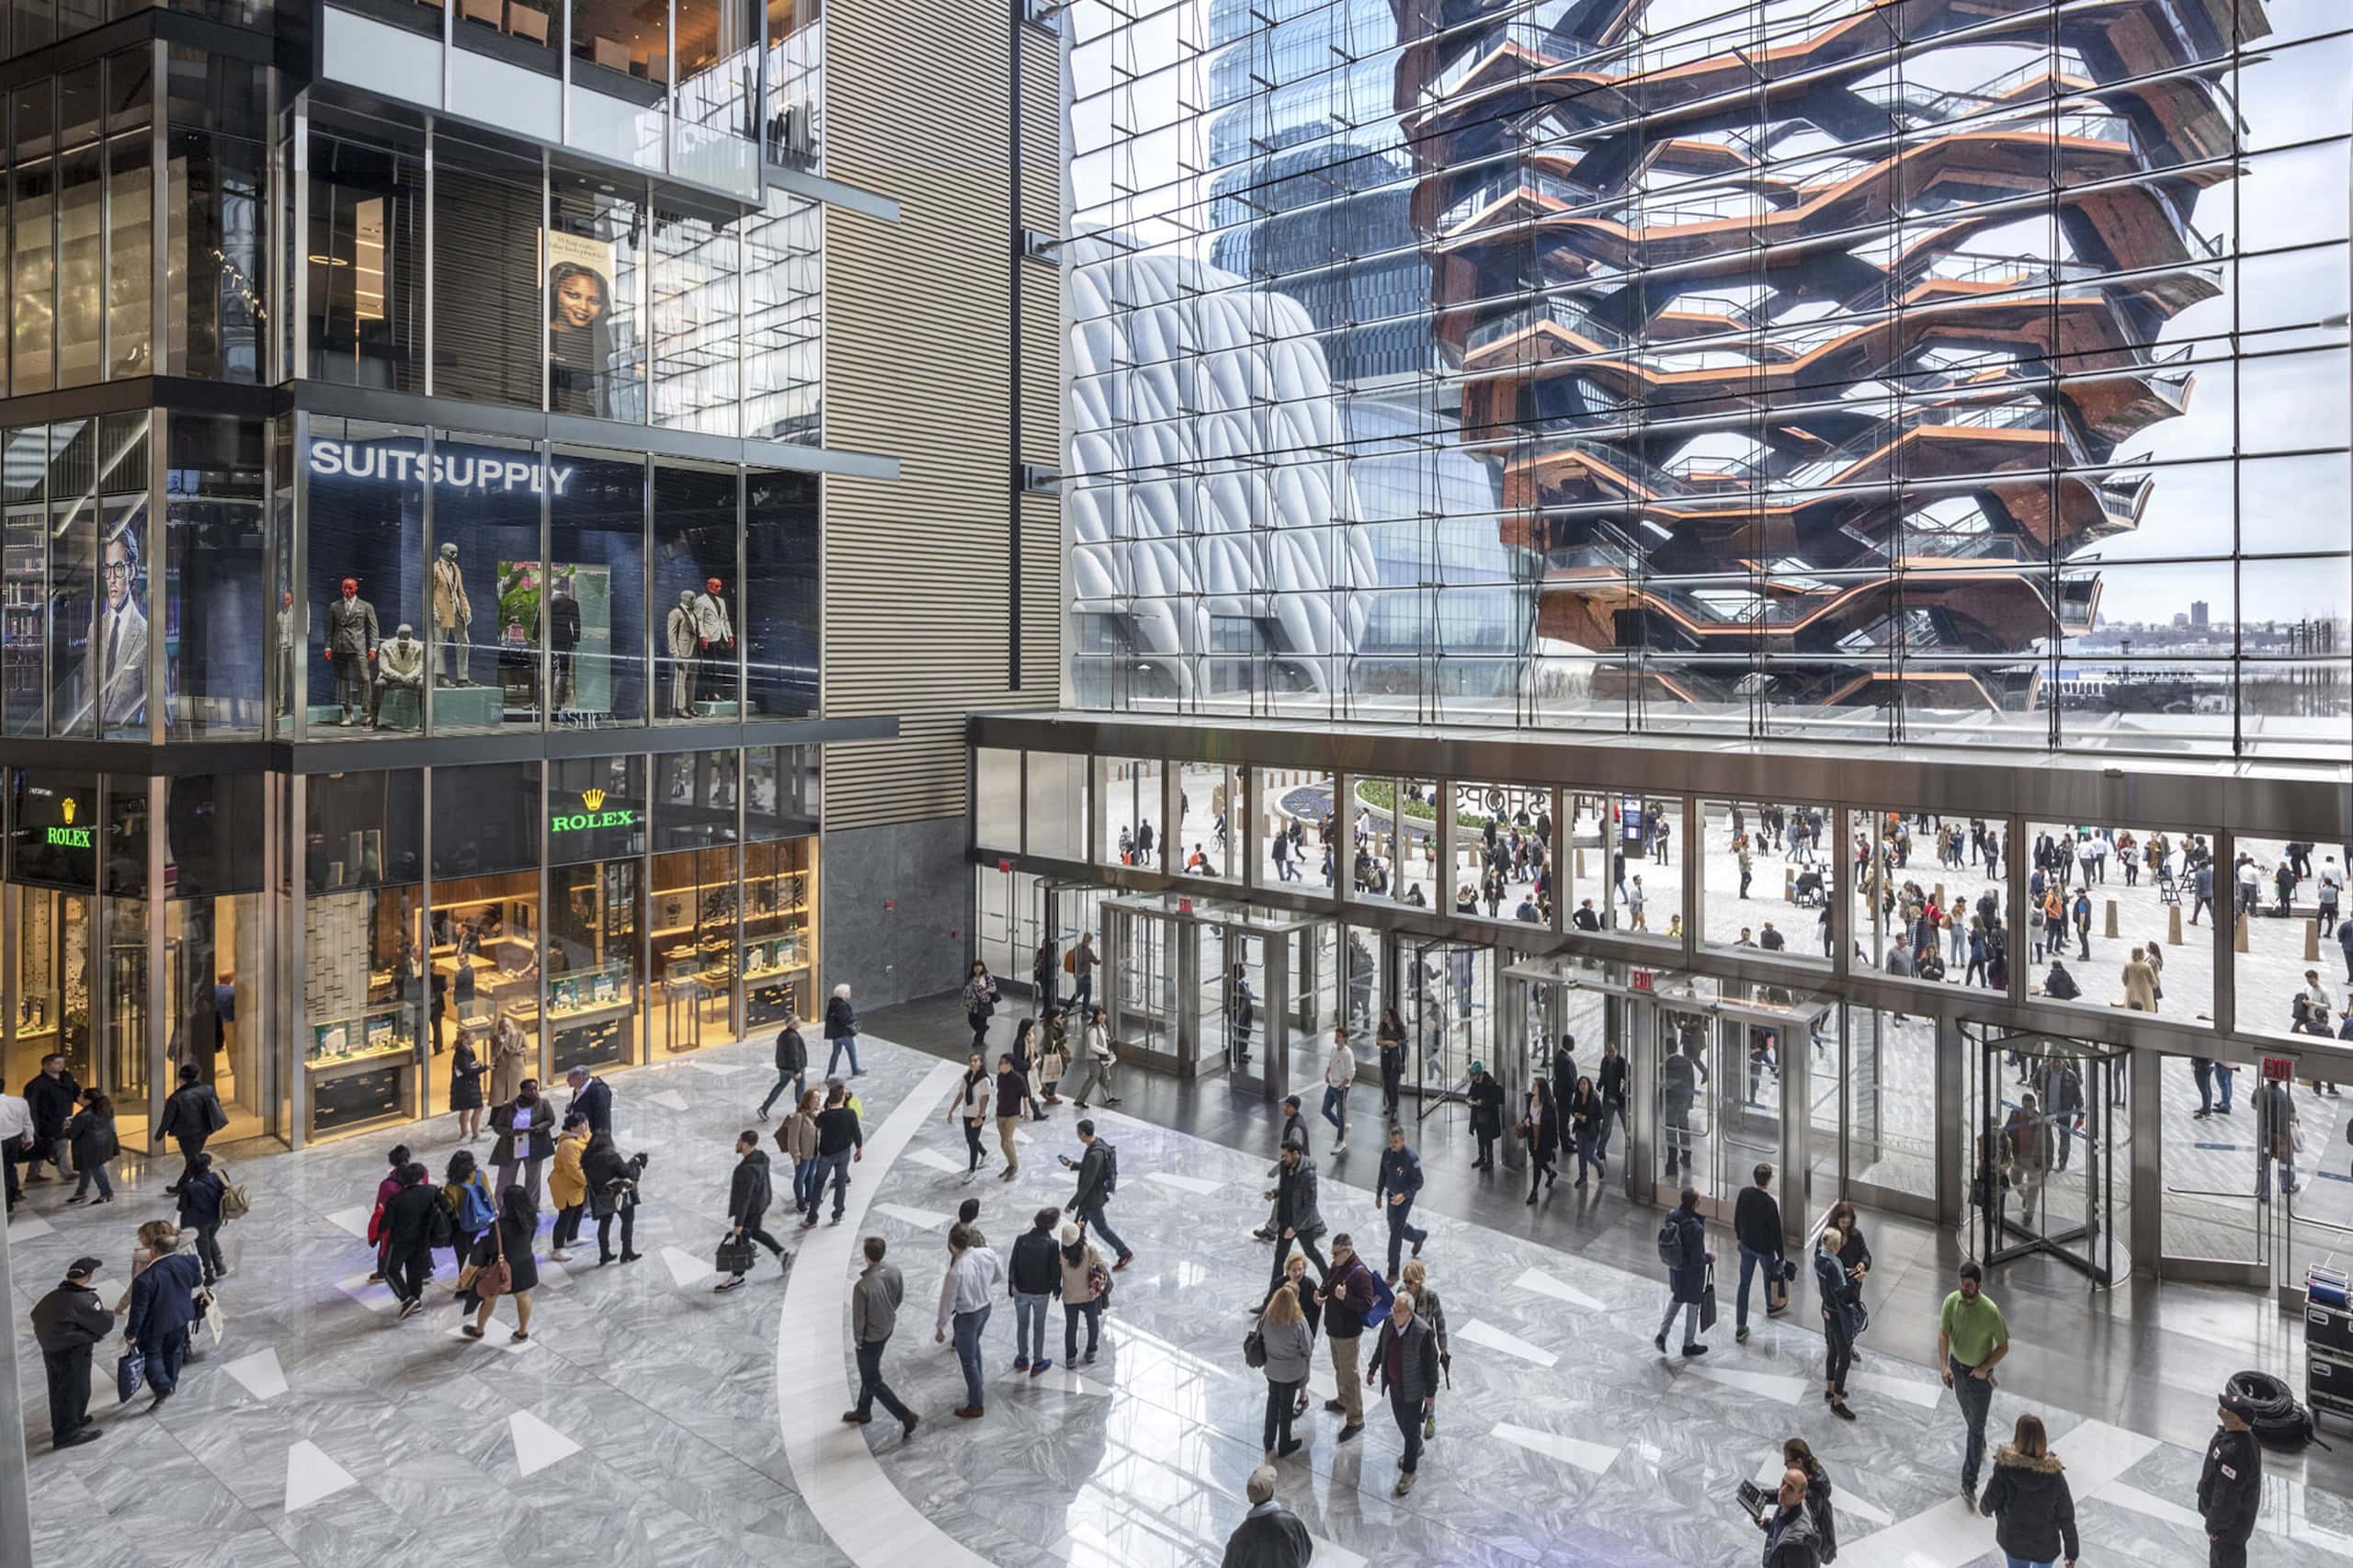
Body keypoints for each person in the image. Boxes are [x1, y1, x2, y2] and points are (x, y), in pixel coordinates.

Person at [1939, 1259, 2010, 1505]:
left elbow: (2003, 1346)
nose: (1964, 1288)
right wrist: (1944, 1366)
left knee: (1975, 1427)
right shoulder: (1952, 1301)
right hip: (1957, 1370)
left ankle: (1968, 1482)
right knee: (1969, 1415)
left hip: (1978, 1377)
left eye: (1968, 1285)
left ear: (1978, 1285)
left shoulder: (1990, 1311)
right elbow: (1943, 1333)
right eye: (1962, 1284)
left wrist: (1984, 1368)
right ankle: (1979, 1441)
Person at [31, 1256, 114, 1449]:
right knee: (76, 1390)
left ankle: (70, 1421)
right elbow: (103, 1323)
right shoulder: (84, 1299)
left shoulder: (53, 1296)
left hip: (51, 1349)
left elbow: (35, 1314)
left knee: (59, 1390)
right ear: (89, 1276)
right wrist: (106, 1317)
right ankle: (67, 1434)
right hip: (72, 1352)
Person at [841, 1234, 918, 1437]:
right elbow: (899, 1297)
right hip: (887, 1328)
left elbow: (859, 1320)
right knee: (870, 1372)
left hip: (870, 1339)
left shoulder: (862, 1286)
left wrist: (858, 1342)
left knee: (872, 1379)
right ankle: (863, 1411)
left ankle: (905, 1415)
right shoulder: (894, 1271)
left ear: (866, 1256)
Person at [1979, 1413, 2079, 1568]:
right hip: (2045, 1547)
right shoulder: (2054, 1476)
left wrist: (1985, 1509)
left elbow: (1992, 1497)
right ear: (2043, 1441)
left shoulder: (2005, 1468)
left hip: (2013, 1542)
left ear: (2017, 1438)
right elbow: (2066, 1516)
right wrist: (2071, 1553)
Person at [1368, 1288, 1439, 1497]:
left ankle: (1409, 1472)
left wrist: (1430, 1393)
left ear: (1409, 1312)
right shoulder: (1390, 1322)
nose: (1394, 1313)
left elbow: (1430, 1366)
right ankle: (1416, 1446)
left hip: (1413, 1391)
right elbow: (1381, 1347)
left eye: (1398, 1310)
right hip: (1395, 1386)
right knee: (1403, 1424)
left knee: (1410, 1430)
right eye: (1393, 1309)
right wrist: (1373, 1368)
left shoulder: (1422, 1331)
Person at [124, 1221, 204, 1410]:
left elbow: (139, 1310)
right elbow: (197, 1281)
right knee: (174, 1351)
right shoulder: (190, 1261)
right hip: (182, 1316)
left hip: (155, 1323)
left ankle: (162, 1387)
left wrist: (131, 1334)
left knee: (151, 1354)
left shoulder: (144, 1279)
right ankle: (172, 1382)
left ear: (154, 1251)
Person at [936, 1221, 1005, 1418]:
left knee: (967, 1360)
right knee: (974, 1346)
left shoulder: (955, 1271)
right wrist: (981, 1286)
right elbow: (999, 1275)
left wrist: (940, 1327)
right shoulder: (987, 1253)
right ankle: (978, 1384)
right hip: (985, 1308)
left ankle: (976, 1404)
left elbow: (947, 1304)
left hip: (967, 1316)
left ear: (951, 1244)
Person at [1316, 1234, 1376, 1441]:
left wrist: (1345, 1298)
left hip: (1348, 1333)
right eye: (1332, 1253)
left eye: (1336, 1253)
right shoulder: (1337, 1265)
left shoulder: (1361, 1274)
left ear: (1348, 1251)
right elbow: (1328, 1280)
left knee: (1350, 1375)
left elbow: (1367, 1304)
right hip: (1334, 1328)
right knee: (1339, 1368)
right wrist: (1320, 1293)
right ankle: (1343, 1400)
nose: (1333, 1258)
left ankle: (1356, 1419)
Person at [461, 1185, 539, 1342]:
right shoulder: (532, 1218)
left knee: (490, 1297)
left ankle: (479, 1330)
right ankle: (522, 1331)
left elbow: (491, 1248)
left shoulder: (499, 1225)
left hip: (502, 1267)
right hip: (525, 1262)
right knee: (523, 1296)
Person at [2199, 1388, 2263, 1568]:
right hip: (2231, 1529)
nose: (2222, 1407)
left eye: (2227, 1408)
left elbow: (2226, 1496)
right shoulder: (2241, 1439)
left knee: (2224, 1561)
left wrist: (2214, 1527)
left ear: (2237, 1420)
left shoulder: (2233, 1453)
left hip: (2228, 1531)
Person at [717, 1130, 788, 1290]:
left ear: (746, 1144)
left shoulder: (746, 1170)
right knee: (755, 1232)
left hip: (751, 1207)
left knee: (741, 1238)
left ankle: (737, 1276)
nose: (737, 1144)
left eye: (739, 1141)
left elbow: (744, 1198)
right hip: (762, 1201)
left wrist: (738, 1224)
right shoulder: (762, 1157)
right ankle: (782, 1253)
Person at [1254, 1279, 1314, 1459]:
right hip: (1290, 1373)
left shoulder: (1267, 1316)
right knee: (1286, 1408)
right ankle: (1285, 1443)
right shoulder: (1298, 1321)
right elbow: (1308, 1347)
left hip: (1272, 1369)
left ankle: (1268, 1440)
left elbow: (1261, 1337)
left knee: (1272, 1404)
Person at [1063, 1119, 1133, 1270]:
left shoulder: (1095, 1154)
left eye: (1078, 1133)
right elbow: (1091, 1169)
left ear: (1083, 1134)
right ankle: (1076, 1257)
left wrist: (1072, 1204)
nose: (1077, 1136)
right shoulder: (1098, 1144)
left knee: (1099, 1229)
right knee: (1079, 1228)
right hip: (1094, 1196)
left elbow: (1087, 1183)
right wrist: (1073, 1165)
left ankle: (1124, 1252)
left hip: (1091, 1199)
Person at [1261, 1143, 1328, 1298]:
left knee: (1311, 1252)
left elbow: (1310, 1204)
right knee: (1279, 1259)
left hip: (1302, 1224)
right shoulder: (1286, 1166)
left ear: (1296, 1154)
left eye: (1286, 1155)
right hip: (1286, 1220)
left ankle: (1330, 1280)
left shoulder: (1308, 1174)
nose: (1283, 1158)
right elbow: (1286, 1188)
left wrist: (1295, 1227)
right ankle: (1270, 1299)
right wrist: (1275, 1193)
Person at [380, 1161, 443, 1319]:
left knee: (389, 1270)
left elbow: (386, 1223)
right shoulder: (432, 1190)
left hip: (401, 1240)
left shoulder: (396, 1199)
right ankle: (416, 1299)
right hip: (423, 1239)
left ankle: (406, 1299)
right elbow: (446, 1207)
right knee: (414, 1270)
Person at [1654, 1184, 1711, 1357]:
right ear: (1694, 1204)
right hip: (1692, 1274)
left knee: (1677, 1298)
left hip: (1676, 1267)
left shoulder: (1672, 1215)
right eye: (1699, 1198)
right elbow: (1696, 1259)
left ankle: (1662, 1334)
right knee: (1693, 1306)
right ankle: (1688, 1344)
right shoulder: (1696, 1227)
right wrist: (1708, 1258)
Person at [1008, 1205, 1063, 1374]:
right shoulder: (1052, 1244)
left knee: (1022, 1325)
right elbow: (1055, 1270)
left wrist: (1011, 1285)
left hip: (1021, 1290)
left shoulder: (1021, 1239)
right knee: (1039, 1326)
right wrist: (1056, 1289)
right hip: (1041, 1292)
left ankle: (1022, 1358)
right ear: (1053, 1224)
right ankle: (1038, 1361)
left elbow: (1013, 1263)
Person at [1221, 1465, 1312, 1568]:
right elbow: (1305, 1555)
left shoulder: (1238, 1538)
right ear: (1272, 1492)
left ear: (1250, 1498)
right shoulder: (1290, 1523)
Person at [156, 1063, 227, 1196]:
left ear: (180, 1078)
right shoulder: (207, 1089)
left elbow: (167, 1119)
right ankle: (187, 1185)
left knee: (193, 1161)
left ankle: (194, 1185)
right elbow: (216, 1102)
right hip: (205, 1130)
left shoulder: (176, 1098)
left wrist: (159, 1135)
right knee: (193, 1159)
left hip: (187, 1135)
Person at [1813, 1224, 1860, 1420]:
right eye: (1839, 1243)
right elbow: (1841, 1293)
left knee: (1832, 1349)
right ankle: (1837, 1401)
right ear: (1833, 1246)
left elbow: (1833, 1283)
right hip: (1837, 1314)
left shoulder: (1820, 1259)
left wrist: (1848, 1274)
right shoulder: (1832, 1265)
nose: (1841, 1245)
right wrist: (1856, 1281)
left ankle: (1830, 1389)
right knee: (1845, 1357)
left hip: (1826, 1310)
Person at [1733, 1163, 1783, 1345]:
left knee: (1744, 1285)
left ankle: (1740, 1326)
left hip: (1746, 1245)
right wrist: (1782, 1255)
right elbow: (1776, 1232)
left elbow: (1737, 1217)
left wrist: (1739, 1237)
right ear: (1769, 1180)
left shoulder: (1744, 1194)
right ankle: (1771, 1306)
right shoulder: (1770, 1203)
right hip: (1765, 1249)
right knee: (1769, 1278)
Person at [1373, 1124, 1429, 1283]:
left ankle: (1393, 1271)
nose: (1393, 1145)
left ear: (1403, 1141)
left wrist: (1404, 1195)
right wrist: (1378, 1194)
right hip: (1391, 1195)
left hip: (1404, 1198)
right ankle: (1418, 1236)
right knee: (1394, 1226)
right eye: (1391, 1141)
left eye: (1396, 1142)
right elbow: (1382, 1174)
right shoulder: (1387, 1154)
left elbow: (1419, 1182)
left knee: (1396, 1232)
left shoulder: (1411, 1159)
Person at [582, 1131, 647, 1265]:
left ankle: (604, 1254)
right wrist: (635, 1161)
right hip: (619, 1195)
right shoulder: (611, 1156)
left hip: (601, 1197)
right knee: (628, 1220)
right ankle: (626, 1252)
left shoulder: (586, 1159)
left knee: (605, 1223)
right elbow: (628, 1173)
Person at [489, 1079, 556, 1206]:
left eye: (535, 1089)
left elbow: (550, 1120)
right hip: (511, 1147)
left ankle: (531, 1207)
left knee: (533, 1180)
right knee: (505, 1179)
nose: (534, 1092)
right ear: (523, 1091)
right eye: (530, 1090)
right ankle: (502, 1206)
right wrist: (511, 1132)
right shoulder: (510, 1106)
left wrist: (535, 1128)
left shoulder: (543, 1103)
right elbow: (498, 1126)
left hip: (534, 1147)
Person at [19, 1052, 80, 1182]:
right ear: (46, 1065)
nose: (61, 1066)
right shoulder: (36, 1085)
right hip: (46, 1122)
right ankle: (67, 1173)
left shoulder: (66, 1078)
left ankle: (33, 1174)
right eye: (57, 1063)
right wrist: (32, 1127)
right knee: (57, 1145)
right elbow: (31, 1107)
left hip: (65, 1118)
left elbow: (77, 1093)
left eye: (62, 1063)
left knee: (49, 1147)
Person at [809, 1080, 863, 1225]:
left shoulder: (824, 1116)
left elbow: (817, 1124)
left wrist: (818, 1112)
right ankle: (837, 1214)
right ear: (843, 1098)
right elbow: (856, 1132)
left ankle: (812, 1217)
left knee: (818, 1184)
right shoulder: (850, 1113)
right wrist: (859, 1149)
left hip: (826, 1155)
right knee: (840, 1183)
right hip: (844, 1153)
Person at [175, 1151, 231, 1286]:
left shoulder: (188, 1187)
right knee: (210, 1238)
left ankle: (208, 1274)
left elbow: (181, 1207)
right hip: (217, 1217)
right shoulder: (218, 1176)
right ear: (208, 1166)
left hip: (197, 1222)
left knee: (203, 1247)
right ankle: (220, 1265)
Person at [1057, 1219, 1107, 1367]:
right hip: (1089, 1295)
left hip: (1070, 1296)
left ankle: (1070, 1357)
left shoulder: (1061, 1256)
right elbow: (1103, 1268)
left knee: (1071, 1327)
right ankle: (1091, 1352)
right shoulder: (1090, 1251)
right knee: (1092, 1324)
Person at [1758, 1465, 1824, 1568]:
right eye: (1783, 1483)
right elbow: (1781, 1527)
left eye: (1790, 1488)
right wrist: (1766, 1524)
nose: (1782, 1490)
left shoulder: (1796, 1545)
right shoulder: (1790, 1502)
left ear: (1801, 1496)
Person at [442, 1150, 494, 1276]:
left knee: (463, 1256)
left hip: (461, 1225)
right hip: (481, 1219)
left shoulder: (451, 1186)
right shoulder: (480, 1175)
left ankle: (466, 1283)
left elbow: (450, 1208)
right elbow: (489, 1194)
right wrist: (493, 1211)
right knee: (479, 1251)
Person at [63, 1088, 118, 1204]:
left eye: (81, 1096)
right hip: (102, 1144)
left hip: (88, 1147)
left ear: (87, 1099)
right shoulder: (105, 1109)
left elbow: (72, 1134)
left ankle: (107, 1193)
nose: (78, 1098)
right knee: (85, 1169)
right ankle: (80, 1193)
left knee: (96, 1169)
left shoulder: (83, 1115)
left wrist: (66, 1127)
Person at [548, 1113, 591, 1262]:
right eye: (582, 1123)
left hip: (577, 1186)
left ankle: (572, 1237)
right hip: (566, 1185)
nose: (586, 1126)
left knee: (578, 1210)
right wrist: (587, 1181)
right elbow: (573, 1169)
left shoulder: (581, 1138)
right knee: (565, 1215)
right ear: (573, 1127)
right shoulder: (567, 1145)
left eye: (586, 1122)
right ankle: (558, 1248)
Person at [2256, 1067, 2299, 1201]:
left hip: (2265, 1133)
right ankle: (2287, 1186)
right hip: (2282, 1135)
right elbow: (2293, 1117)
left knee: (2264, 1163)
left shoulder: (2260, 1092)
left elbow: (2254, 1105)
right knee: (2287, 1162)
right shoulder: (2285, 1096)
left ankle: (2263, 1193)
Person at [994, 1051, 1037, 1180]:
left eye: (1005, 1063)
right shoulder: (1000, 1076)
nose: (1002, 1066)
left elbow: (1025, 1095)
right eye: (1000, 1063)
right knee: (1004, 1143)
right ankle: (1011, 1164)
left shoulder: (1017, 1078)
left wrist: (1027, 1110)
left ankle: (1014, 1166)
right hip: (1000, 1112)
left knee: (1007, 1141)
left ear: (1011, 1064)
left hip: (1012, 1114)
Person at [949, 1052, 992, 1176]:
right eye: (971, 1061)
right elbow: (961, 1094)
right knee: (970, 1139)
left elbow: (985, 1098)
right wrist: (951, 1110)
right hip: (967, 1113)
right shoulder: (966, 1077)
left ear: (981, 1063)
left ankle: (972, 1170)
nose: (972, 1063)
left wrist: (980, 1116)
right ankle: (984, 1153)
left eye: (975, 1061)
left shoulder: (984, 1080)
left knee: (972, 1142)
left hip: (978, 1114)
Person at [782, 1087, 824, 1214]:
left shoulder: (818, 1115)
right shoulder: (799, 1117)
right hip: (803, 1154)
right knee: (800, 1178)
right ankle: (800, 1202)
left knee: (810, 1175)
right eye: (815, 1098)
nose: (818, 1101)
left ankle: (810, 1197)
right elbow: (792, 1138)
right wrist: (795, 1153)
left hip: (815, 1152)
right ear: (808, 1100)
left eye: (819, 1098)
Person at [1520, 1079, 1559, 1204]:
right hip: (1532, 1134)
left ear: (1541, 1089)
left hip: (1543, 1137)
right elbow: (1528, 1114)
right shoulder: (1529, 1099)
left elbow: (1553, 1126)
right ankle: (1550, 1172)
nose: (1532, 1088)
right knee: (1537, 1159)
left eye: (1535, 1086)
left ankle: (1534, 1192)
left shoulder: (1549, 1106)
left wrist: (1554, 1145)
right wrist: (1525, 1121)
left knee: (1537, 1163)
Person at [1319, 1028, 1357, 1153]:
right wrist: (1326, 1073)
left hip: (1341, 1088)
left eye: (1339, 1036)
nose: (1336, 1038)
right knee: (1325, 1110)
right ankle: (1342, 1126)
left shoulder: (1348, 1054)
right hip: (1332, 1085)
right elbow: (1331, 1063)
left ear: (1344, 1039)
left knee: (1341, 1113)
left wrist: (1343, 1084)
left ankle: (1341, 1141)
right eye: (1336, 1035)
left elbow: (1352, 1072)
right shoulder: (1334, 1049)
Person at [1564, 1075, 1604, 1187]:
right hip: (1580, 1130)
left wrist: (1587, 1118)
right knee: (1581, 1155)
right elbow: (1573, 1109)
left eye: (1584, 1083)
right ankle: (1583, 1177)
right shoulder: (1577, 1097)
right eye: (1580, 1084)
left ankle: (1599, 1165)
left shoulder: (1595, 1099)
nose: (1582, 1086)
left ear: (1589, 1085)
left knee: (1589, 1155)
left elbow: (1600, 1115)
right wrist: (1575, 1114)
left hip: (1591, 1132)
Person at [1466, 1062, 1505, 1172]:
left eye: (1474, 1075)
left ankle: (1490, 1161)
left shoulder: (1490, 1084)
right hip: (1478, 1114)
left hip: (1488, 1116)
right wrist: (1469, 1099)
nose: (1472, 1078)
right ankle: (1481, 1158)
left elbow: (1496, 1100)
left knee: (1488, 1139)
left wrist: (1483, 1102)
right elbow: (1471, 1093)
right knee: (1480, 1137)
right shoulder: (1475, 1082)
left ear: (1479, 1074)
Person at [448, 1036, 488, 1142]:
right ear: (465, 1039)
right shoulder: (462, 1053)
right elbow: (467, 1071)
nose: (475, 1038)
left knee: (465, 1109)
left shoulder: (465, 1051)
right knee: (478, 1108)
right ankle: (475, 1135)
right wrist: (484, 1068)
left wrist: (475, 1064)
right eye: (473, 1036)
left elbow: (467, 1066)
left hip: (466, 1084)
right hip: (467, 1085)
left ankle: (464, 1132)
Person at [487, 1016, 530, 1106]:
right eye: (503, 1027)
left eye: (507, 1026)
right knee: (499, 1096)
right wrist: (500, 1043)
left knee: (516, 1092)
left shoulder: (520, 1034)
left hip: (516, 1067)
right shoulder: (495, 1038)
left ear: (512, 1026)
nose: (505, 1029)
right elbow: (495, 1054)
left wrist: (520, 1051)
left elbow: (526, 1047)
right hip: (501, 1068)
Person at [1597, 1040, 1630, 1158]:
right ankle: (1600, 1150)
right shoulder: (1604, 1061)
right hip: (1608, 1099)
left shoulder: (1622, 1063)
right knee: (1606, 1126)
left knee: (1628, 1126)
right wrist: (1598, 1087)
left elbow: (1630, 1079)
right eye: (1608, 1051)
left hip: (1621, 1101)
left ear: (1617, 1051)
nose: (1610, 1054)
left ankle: (1631, 1148)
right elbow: (1602, 1077)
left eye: (1612, 1051)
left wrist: (1625, 1092)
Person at [824, 981, 863, 1077]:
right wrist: (854, 1019)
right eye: (849, 992)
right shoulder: (843, 1006)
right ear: (844, 994)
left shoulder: (833, 1004)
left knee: (835, 1054)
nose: (850, 994)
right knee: (852, 1051)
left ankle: (830, 1073)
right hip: (844, 1033)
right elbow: (845, 1020)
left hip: (835, 1034)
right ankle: (855, 1070)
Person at [563, 1063, 613, 1136]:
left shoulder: (599, 1091)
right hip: (579, 1131)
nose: (567, 1080)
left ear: (580, 1079)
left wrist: (599, 1138)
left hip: (591, 1134)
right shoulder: (578, 1088)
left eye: (570, 1078)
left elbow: (602, 1117)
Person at [1376, 1007, 1406, 1121]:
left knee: (1394, 1083)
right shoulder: (1382, 1026)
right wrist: (1388, 1042)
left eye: (1387, 1015)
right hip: (1385, 1056)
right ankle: (1390, 1105)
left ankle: (1394, 1108)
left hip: (1396, 1057)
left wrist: (1396, 1044)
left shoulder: (1400, 1027)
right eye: (1384, 1015)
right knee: (1387, 1082)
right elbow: (1378, 1041)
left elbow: (1404, 1041)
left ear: (1392, 1016)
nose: (1385, 1017)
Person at [963, 960, 1001, 1051]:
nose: (977, 968)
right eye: (976, 966)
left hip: (983, 1004)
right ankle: (983, 1029)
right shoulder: (971, 978)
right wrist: (965, 1001)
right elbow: (967, 990)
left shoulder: (987, 976)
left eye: (979, 966)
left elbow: (993, 987)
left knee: (981, 1022)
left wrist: (984, 991)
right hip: (972, 1004)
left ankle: (978, 1040)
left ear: (983, 967)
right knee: (971, 1021)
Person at [1070, 932, 1098, 1019]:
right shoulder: (1088, 951)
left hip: (1078, 974)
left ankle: (1068, 1008)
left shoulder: (1077, 947)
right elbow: (1095, 961)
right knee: (1087, 994)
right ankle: (1084, 1012)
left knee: (1079, 992)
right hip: (1085, 975)